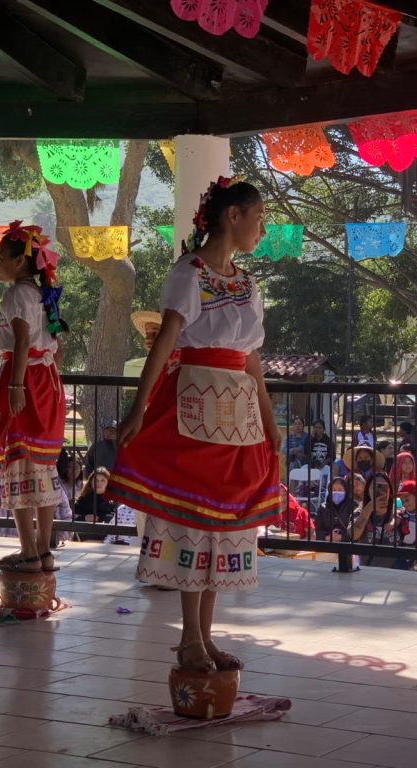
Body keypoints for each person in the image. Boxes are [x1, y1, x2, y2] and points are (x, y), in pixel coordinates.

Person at [110, 177, 281, 673]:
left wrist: (268, 422)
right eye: (258, 217)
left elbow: (252, 360)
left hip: (237, 415)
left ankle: (205, 637)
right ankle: (189, 640)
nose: (262, 228)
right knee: (193, 519)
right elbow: (166, 341)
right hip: (194, 405)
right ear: (233, 215)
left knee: (223, 520)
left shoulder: (246, 285)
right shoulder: (189, 271)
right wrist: (139, 408)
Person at [0, 220, 67, 573]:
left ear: (19, 261)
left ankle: (28, 552)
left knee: (18, 461)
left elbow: (22, 341)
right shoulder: (42, 294)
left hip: (28, 382)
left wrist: (16, 386)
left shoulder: (17, 295)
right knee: (42, 464)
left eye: (0, 258)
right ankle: (43, 550)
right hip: (47, 381)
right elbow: (56, 348)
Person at [349, 473, 402, 568]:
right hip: (368, 572)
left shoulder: (397, 512)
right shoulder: (360, 512)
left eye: (384, 487)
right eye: (376, 487)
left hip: (395, 573)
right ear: (368, 490)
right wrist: (369, 508)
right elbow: (353, 535)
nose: (381, 491)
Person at [74, 467, 117, 542]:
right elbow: (72, 516)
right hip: (83, 536)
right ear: (91, 481)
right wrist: (85, 517)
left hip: (106, 537)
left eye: (103, 480)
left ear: (108, 482)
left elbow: (116, 518)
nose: (99, 483)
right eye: (96, 480)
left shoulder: (113, 500)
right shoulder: (83, 498)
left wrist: (101, 518)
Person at [316, 476, 358, 542]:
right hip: (328, 546)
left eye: (340, 490)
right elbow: (317, 531)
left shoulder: (353, 506)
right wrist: (327, 537)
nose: (337, 492)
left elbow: (357, 529)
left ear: (346, 491)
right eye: (334, 490)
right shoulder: (323, 507)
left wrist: (342, 537)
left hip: (348, 547)